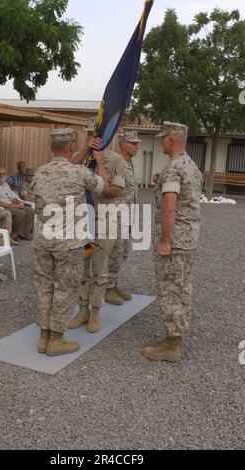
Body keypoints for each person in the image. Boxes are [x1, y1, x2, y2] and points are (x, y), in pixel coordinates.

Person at [32, 127, 108, 356]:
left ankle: (43, 338)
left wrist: (85, 149)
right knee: (64, 289)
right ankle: (57, 340)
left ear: (51, 147)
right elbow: (102, 187)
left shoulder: (40, 173)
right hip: (68, 244)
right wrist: (100, 161)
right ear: (71, 146)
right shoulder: (79, 173)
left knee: (44, 288)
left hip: (42, 242)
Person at [142, 121, 203, 362]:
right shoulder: (189, 165)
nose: (160, 141)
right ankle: (172, 338)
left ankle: (173, 344)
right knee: (182, 286)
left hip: (175, 241)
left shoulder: (174, 168)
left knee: (169, 289)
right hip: (188, 238)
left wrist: (165, 241)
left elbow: (170, 206)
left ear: (171, 139)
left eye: (163, 138)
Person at [69, 134, 126, 333]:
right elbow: (67, 171)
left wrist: (100, 161)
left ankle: (95, 312)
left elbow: (113, 191)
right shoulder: (81, 156)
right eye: (91, 135)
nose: (95, 139)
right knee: (83, 266)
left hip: (103, 222)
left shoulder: (116, 160)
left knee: (99, 267)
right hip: (83, 222)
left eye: (99, 135)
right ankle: (82, 309)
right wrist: (86, 151)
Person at [105, 130, 141, 304]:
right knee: (114, 251)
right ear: (123, 144)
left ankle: (114, 283)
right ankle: (106, 288)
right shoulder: (116, 163)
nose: (137, 147)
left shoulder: (130, 164)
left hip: (128, 214)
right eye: (133, 143)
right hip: (117, 215)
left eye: (137, 143)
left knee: (122, 252)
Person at [0, 167, 34, 242]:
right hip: (2, 207)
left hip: (11, 205)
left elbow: (13, 196)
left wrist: (16, 201)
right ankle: (14, 234)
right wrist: (12, 205)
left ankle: (25, 233)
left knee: (30, 211)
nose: (1, 176)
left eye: (3, 174)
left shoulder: (5, 184)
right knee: (20, 213)